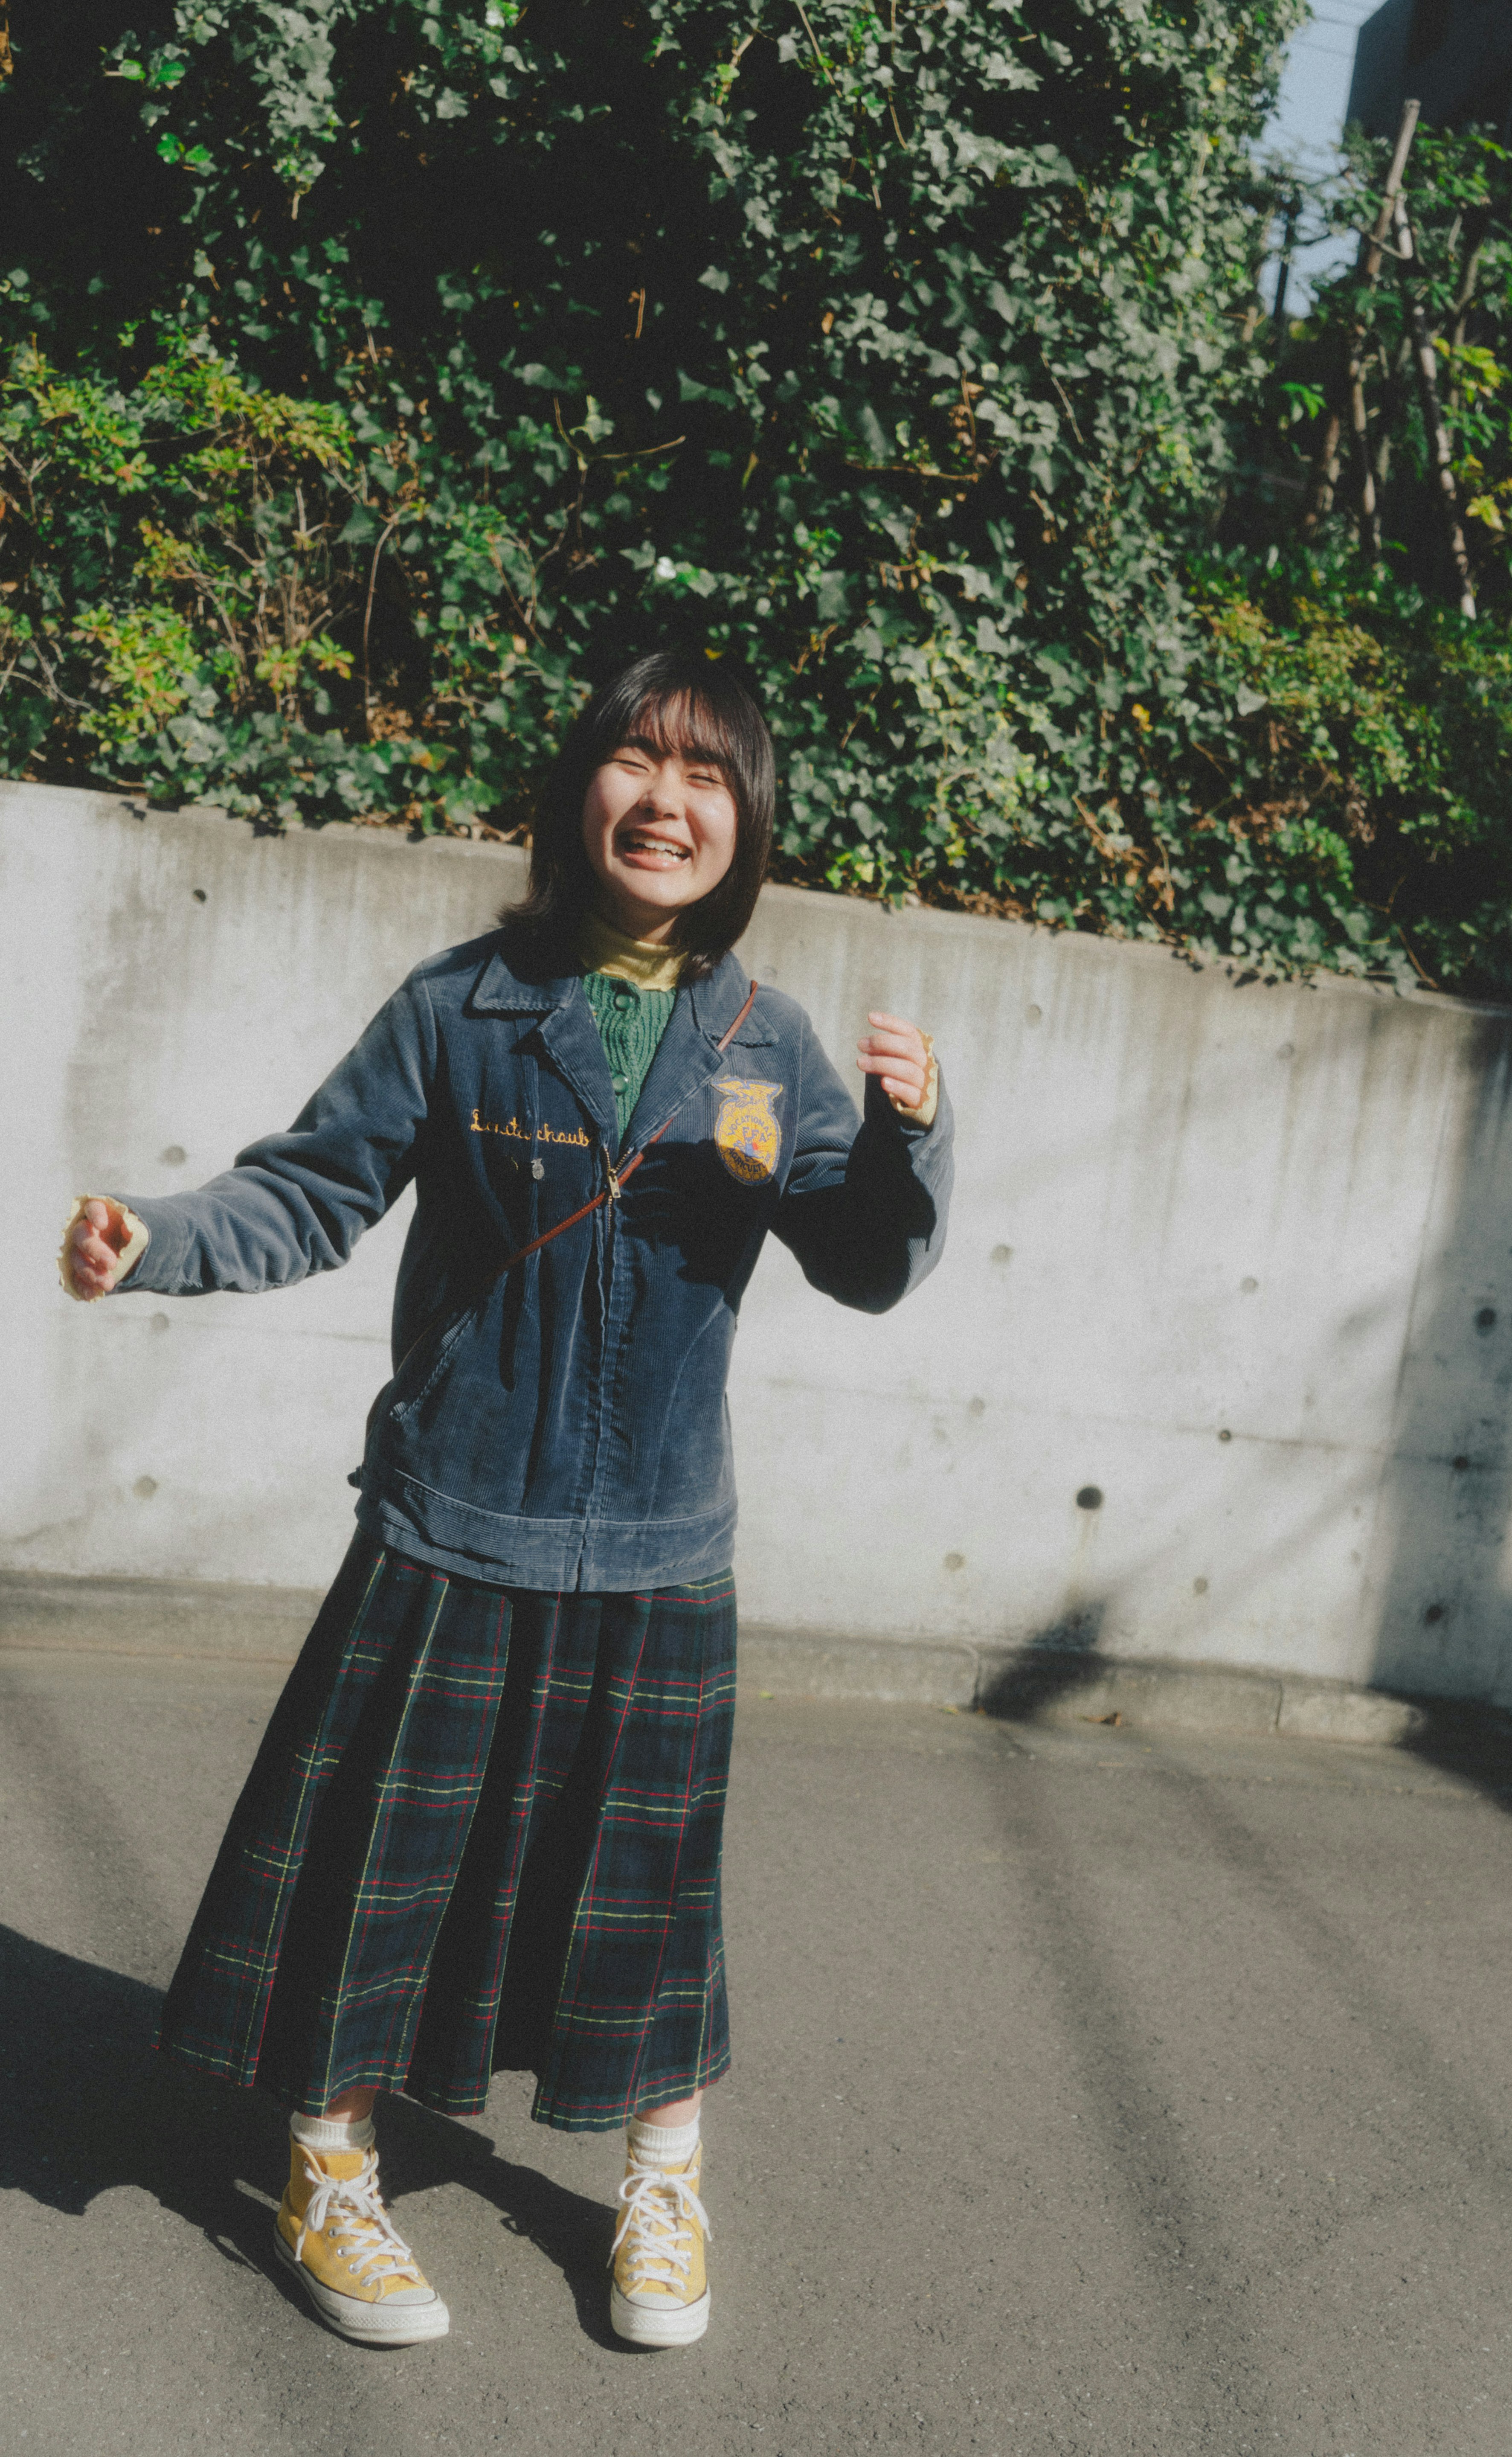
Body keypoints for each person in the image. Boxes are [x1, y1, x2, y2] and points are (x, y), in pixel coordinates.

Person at [63, 650, 953, 2352]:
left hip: (661, 1552)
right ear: (579, 793)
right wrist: (155, 1241)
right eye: (634, 760)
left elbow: (863, 1257)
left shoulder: (771, 1045)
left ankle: (664, 2182)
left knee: (645, 1897)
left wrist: (915, 1140)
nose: (665, 799)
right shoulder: (457, 1006)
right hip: (453, 1522)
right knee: (381, 1880)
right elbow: (309, 1194)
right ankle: (328, 2165)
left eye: (704, 776)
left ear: (745, 821)